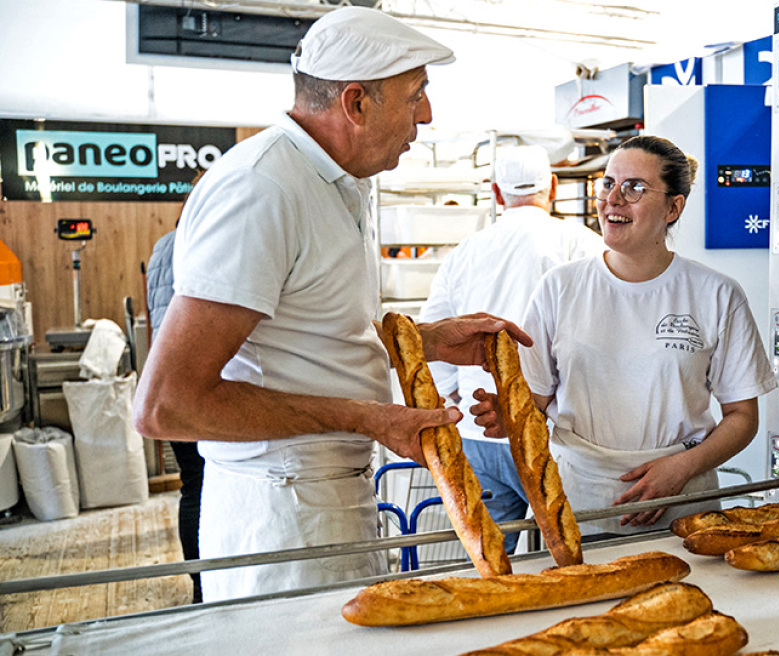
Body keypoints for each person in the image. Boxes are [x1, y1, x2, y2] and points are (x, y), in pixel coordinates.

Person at [132, 7, 530, 602]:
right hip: (280, 514)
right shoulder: (262, 188)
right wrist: (369, 418)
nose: (427, 114)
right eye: (416, 93)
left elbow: (310, 329)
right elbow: (168, 404)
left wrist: (425, 339)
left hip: (324, 497)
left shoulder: (338, 181)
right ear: (356, 103)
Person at [479, 135, 777, 538]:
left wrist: (682, 469)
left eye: (634, 187)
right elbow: (536, 401)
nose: (613, 198)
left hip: (682, 504)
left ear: (674, 207)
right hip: (578, 500)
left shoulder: (716, 293)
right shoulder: (559, 287)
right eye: (607, 183)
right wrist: (509, 416)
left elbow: (743, 417)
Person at [420, 145, 604, 553]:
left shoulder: (464, 252)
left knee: (492, 557)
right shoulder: (581, 243)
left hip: (477, 431)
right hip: (550, 437)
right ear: (553, 187)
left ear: (497, 194)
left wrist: (457, 393)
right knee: (565, 551)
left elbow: (434, 329)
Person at [146, 219, 206, 604]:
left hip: (166, 383)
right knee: (205, 488)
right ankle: (209, 586)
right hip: (200, 386)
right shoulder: (204, 239)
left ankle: (200, 586)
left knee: (191, 487)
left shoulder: (161, 246)